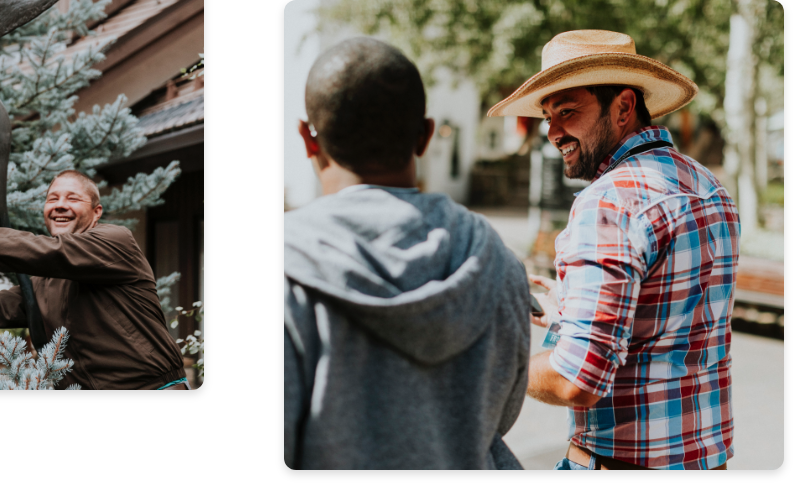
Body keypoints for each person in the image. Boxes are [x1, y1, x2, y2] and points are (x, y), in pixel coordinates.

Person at [488, 30, 738, 470]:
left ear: (624, 106)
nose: (553, 132)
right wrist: (571, 313)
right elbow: (670, 321)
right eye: (547, 116)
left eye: (567, 111)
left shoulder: (608, 202)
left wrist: (494, 368)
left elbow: (577, 379)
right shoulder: (708, 185)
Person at [284, 37, 531, 469]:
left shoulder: (292, 268)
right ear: (425, 136)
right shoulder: (497, 263)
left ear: (307, 138)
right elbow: (501, 415)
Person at [0, 169, 189, 390]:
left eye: (73, 198)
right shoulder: (41, 281)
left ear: (96, 213)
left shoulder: (115, 241)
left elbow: (49, 251)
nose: (60, 205)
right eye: (52, 199)